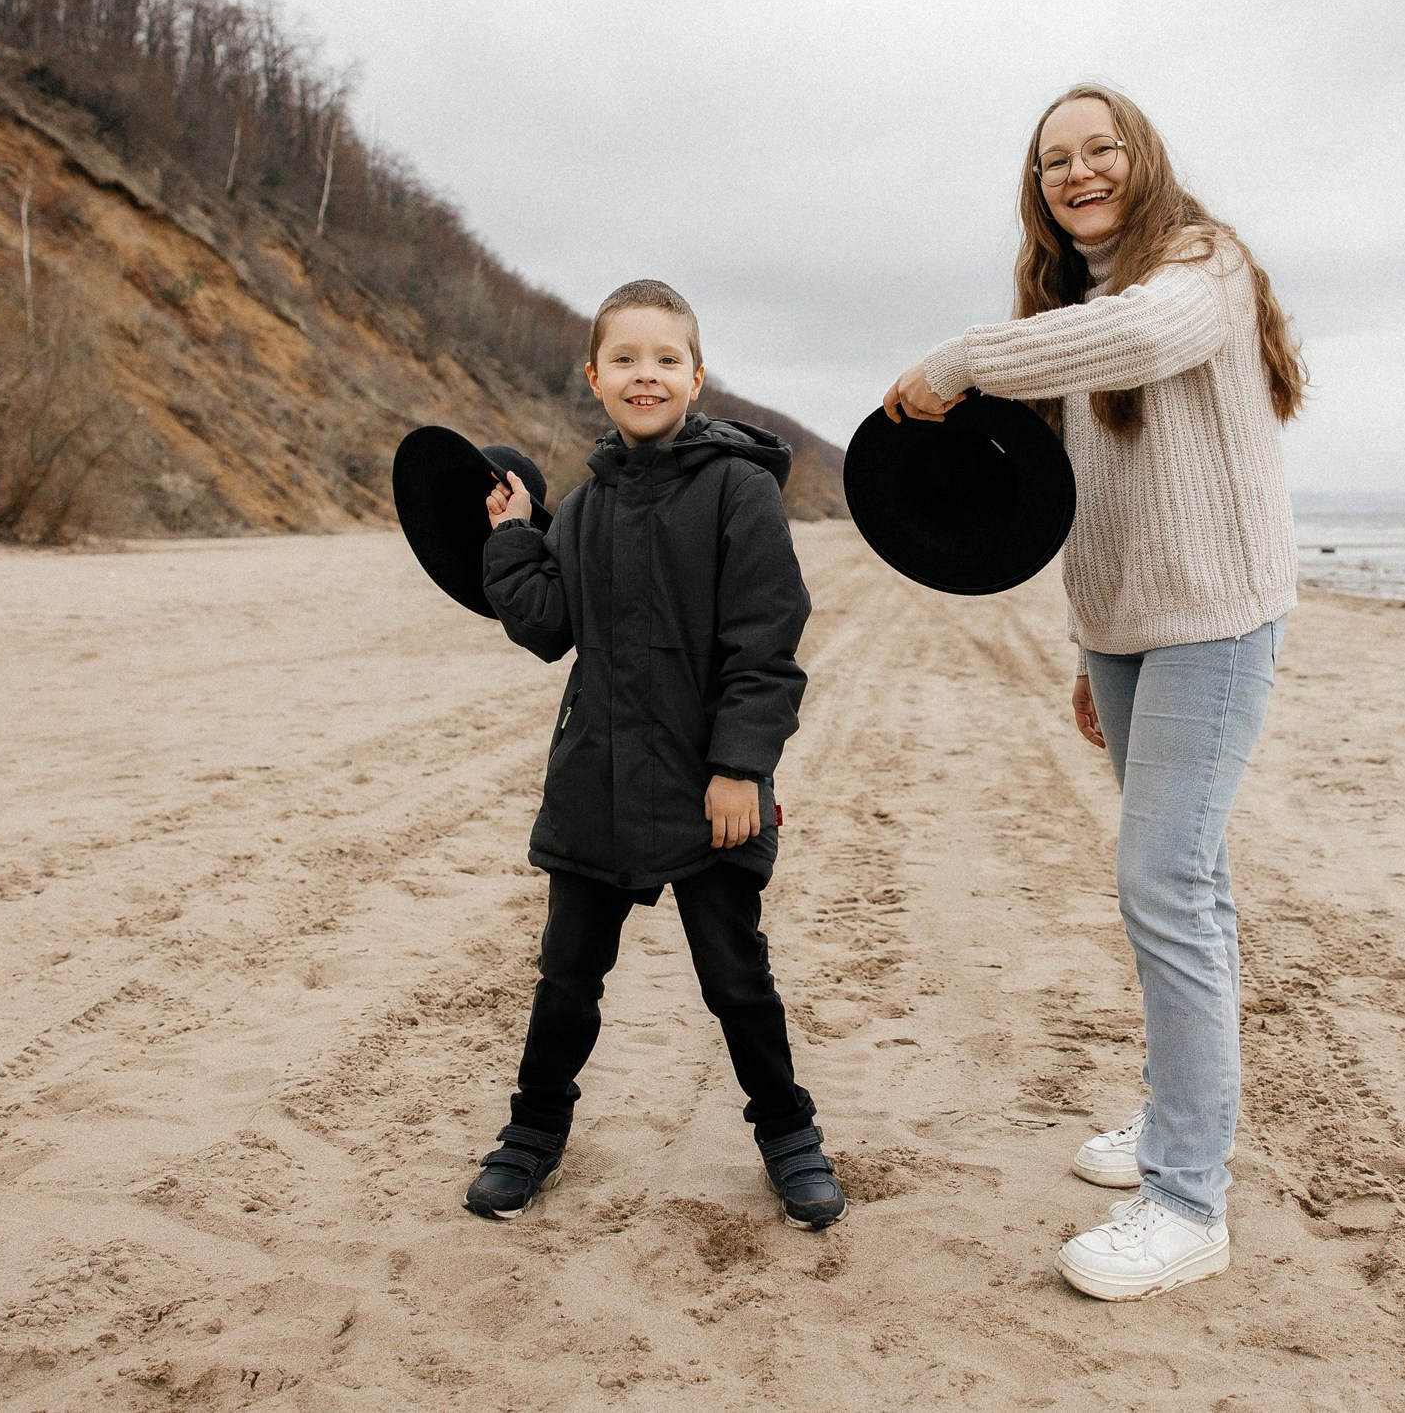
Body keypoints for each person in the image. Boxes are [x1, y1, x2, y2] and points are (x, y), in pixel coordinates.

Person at [883, 84, 1304, 1299]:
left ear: (1141, 156)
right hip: (1128, 632)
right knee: (1192, 887)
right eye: (1055, 160)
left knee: (1162, 885)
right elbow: (1079, 498)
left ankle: (1187, 1201)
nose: (1079, 172)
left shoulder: (1201, 265)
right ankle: (1180, 1121)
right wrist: (1087, 646)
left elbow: (1143, 338)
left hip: (1216, 620)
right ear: (1039, 188)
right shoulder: (1066, 313)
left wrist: (962, 361)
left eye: (1099, 148)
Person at [464, 278, 845, 1231]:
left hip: (708, 784)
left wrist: (740, 767)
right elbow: (548, 626)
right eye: (625, 359)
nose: (647, 374)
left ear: (697, 376)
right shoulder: (585, 506)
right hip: (595, 777)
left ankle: (789, 1134)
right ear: (595, 378)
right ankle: (532, 1131)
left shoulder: (738, 491)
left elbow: (766, 645)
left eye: (666, 359)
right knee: (567, 975)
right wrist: (513, 540)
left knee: (735, 976)